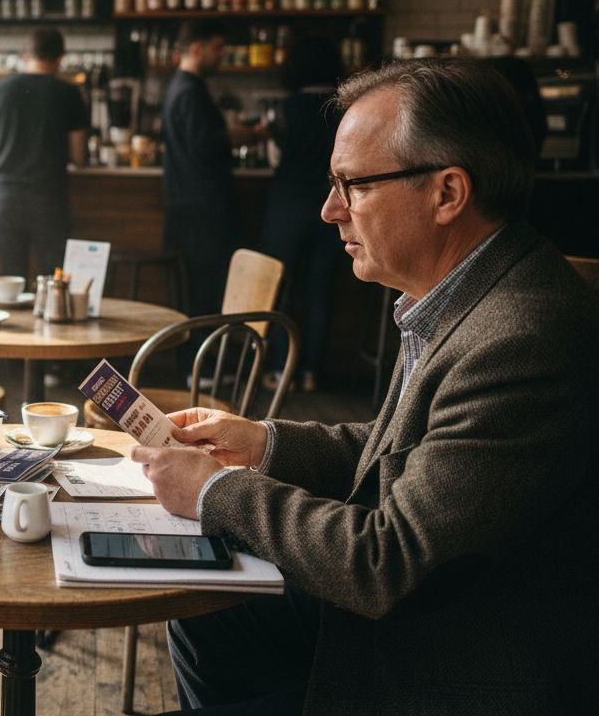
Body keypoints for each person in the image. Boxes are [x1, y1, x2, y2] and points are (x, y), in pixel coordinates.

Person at [133, 58, 598, 714]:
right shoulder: (474, 290)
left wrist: (215, 492)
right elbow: (414, 453)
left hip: (459, 664)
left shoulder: (521, 337)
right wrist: (265, 443)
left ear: (447, 194)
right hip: (426, 624)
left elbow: (391, 562)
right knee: (213, 609)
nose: (329, 211)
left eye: (351, 185)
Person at [258, 37, 346, 393]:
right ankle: (310, 371)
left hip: (288, 202)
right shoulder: (343, 109)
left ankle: (281, 371)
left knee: (281, 288)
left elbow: (277, 153)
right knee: (320, 289)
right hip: (331, 203)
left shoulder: (287, 108)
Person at [161, 20, 258, 322]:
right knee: (205, 297)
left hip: (190, 210)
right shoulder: (190, 91)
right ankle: (200, 368)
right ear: (196, 49)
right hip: (202, 216)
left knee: (201, 296)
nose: (222, 55)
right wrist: (241, 134)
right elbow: (204, 146)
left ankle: (198, 367)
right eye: (217, 49)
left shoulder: (182, 87)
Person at [0, 27, 89, 279]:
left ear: (24, 55)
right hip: (48, 196)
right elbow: (79, 154)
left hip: (6, 195)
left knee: (11, 275)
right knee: (51, 275)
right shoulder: (69, 93)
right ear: (60, 58)